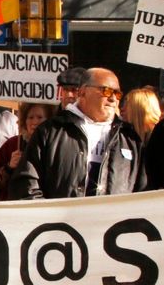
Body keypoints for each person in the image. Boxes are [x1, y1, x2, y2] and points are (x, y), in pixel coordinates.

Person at [10, 68, 143, 199]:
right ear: (83, 92)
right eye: (106, 91)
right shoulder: (51, 131)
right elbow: (27, 185)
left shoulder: (129, 138)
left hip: (113, 214)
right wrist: (49, 213)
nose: (113, 98)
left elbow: (143, 192)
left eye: (117, 94)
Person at [0, 102, 52, 201]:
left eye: (40, 117)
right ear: (24, 121)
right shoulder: (12, 144)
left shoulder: (53, 145)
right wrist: (9, 167)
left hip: (45, 204)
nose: (35, 122)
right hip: (14, 204)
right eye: (30, 117)